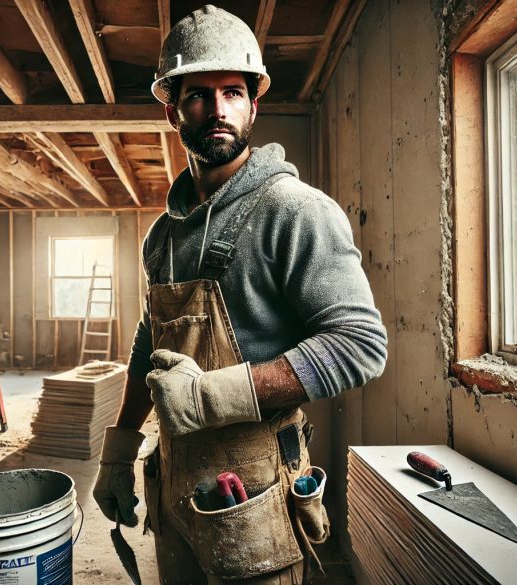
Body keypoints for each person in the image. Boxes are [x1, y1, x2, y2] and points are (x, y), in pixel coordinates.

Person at [93, 5, 388, 584]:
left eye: (233, 91)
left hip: (256, 495)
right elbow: (149, 342)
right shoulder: (164, 236)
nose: (218, 109)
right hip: (175, 483)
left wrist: (209, 398)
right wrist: (120, 449)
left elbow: (360, 345)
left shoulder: (295, 211)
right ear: (173, 108)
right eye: (199, 95)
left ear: (255, 102)